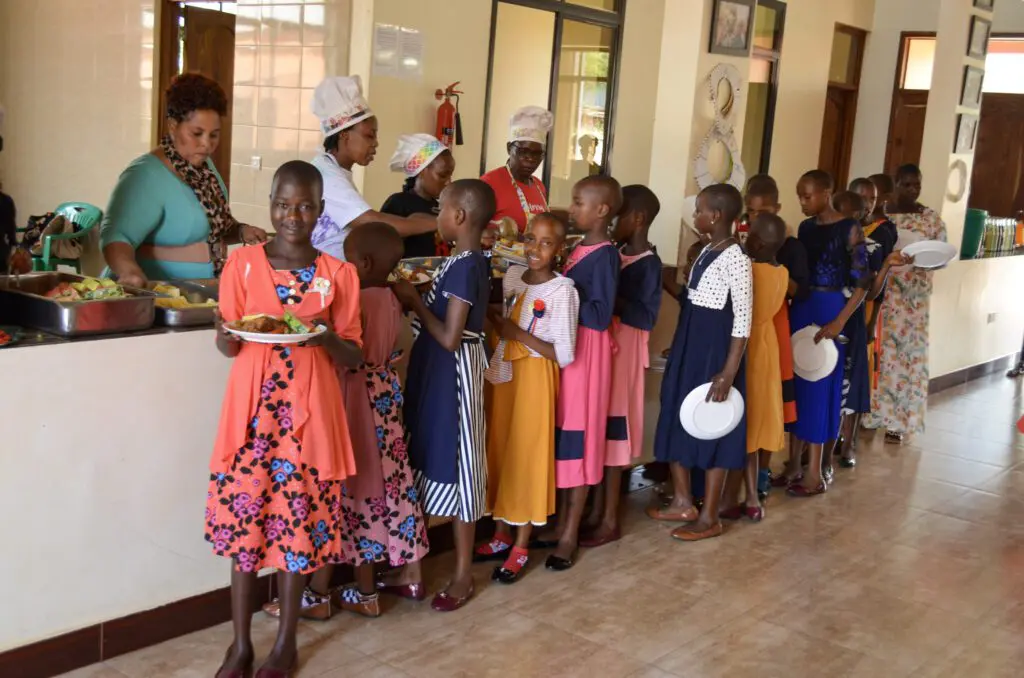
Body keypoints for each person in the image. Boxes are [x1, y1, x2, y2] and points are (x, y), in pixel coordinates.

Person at [205, 161, 363, 678]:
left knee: (299, 534)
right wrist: (224, 333)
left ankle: (285, 644)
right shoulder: (243, 266)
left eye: (304, 206)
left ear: (320, 211)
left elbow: (354, 355)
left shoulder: (339, 275)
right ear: (269, 203)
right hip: (253, 425)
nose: (291, 215)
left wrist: (325, 339)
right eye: (282, 204)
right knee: (245, 531)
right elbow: (231, 343)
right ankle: (241, 644)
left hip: (308, 426)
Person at [392, 179, 495, 611]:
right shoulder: (461, 262)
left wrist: (415, 302)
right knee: (424, 457)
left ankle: (462, 574)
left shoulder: (468, 265)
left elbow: (451, 337)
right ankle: (413, 569)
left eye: (440, 210)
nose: (436, 217)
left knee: (462, 464)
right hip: (435, 375)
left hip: (454, 376)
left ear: (458, 217)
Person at [476, 213, 579, 583]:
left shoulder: (562, 290)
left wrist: (515, 332)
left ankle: (522, 543)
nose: (535, 248)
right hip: (505, 374)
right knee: (501, 448)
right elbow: (504, 320)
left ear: (560, 249)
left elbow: (564, 354)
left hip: (535, 377)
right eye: (530, 239)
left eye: (546, 242)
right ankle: (501, 532)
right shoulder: (514, 276)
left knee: (527, 455)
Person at [651, 183, 752, 542]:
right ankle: (682, 500)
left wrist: (728, 371)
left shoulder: (737, 259)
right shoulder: (708, 249)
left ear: (717, 216)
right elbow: (693, 302)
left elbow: (742, 321)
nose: (695, 216)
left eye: (699, 210)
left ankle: (710, 515)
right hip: (690, 344)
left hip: (715, 352)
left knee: (713, 425)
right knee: (676, 412)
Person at [102, 73, 268, 286]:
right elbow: (115, 236)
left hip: (199, 292)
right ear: (173, 126)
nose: (206, 144)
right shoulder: (145, 175)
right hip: (156, 296)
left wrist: (241, 231)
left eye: (214, 134)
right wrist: (130, 272)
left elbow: (213, 228)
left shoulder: (205, 169)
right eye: (196, 133)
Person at [535, 175, 620, 570]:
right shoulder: (578, 248)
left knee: (581, 439)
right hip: (571, 351)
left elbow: (600, 316)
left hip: (588, 352)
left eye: (578, 203)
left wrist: (563, 294)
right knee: (566, 437)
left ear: (601, 210)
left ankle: (570, 533)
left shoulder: (604, 255)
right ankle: (561, 521)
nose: (572, 209)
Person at [582, 184, 662, 547]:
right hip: (604, 351)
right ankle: (595, 510)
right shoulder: (613, 253)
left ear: (639, 219)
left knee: (615, 433)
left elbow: (646, 316)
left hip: (626, 352)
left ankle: (610, 517)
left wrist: (607, 298)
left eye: (619, 216)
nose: (612, 223)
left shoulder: (648, 263)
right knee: (597, 429)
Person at [787, 170, 870, 497]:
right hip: (803, 306)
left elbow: (863, 282)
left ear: (826, 192)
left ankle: (814, 473)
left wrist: (839, 321)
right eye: (799, 197)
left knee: (822, 386)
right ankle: (793, 463)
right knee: (798, 381)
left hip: (832, 307)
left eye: (807, 196)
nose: (803, 202)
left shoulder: (850, 229)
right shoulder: (806, 228)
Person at [309, 76, 436, 261]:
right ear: (344, 135)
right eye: (369, 136)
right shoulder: (326, 175)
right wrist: (442, 224)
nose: (375, 144)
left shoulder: (335, 170)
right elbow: (369, 222)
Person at [864, 164, 947, 444]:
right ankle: (867, 414)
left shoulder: (931, 219)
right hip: (882, 294)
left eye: (917, 185)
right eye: (907, 184)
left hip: (913, 300)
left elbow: (942, 255)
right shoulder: (881, 215)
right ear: (896, 184)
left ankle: (897, 422)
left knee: (905, 358)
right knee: (876, 353)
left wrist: (922, 258)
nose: (913, 189)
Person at [721, 212, 786, 522]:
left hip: (748, 346)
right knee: (760, 419)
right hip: (768, 346)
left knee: (746, 421)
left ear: (756, 241)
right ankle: (752, 493)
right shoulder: (782, 272)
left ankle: (746, 494)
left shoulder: (750, 269)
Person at [744, 174, 807, 497]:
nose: (758, 218)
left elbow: (801, 289)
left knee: (771, 399)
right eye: (752, 213)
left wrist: (772, 258)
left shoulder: (790, 247)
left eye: (765, 211)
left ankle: (763, 472)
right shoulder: (745, 244)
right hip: (746, 330)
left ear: (778, 208)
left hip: (774, 326)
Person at [481, 106, 553, 233]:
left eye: (537, 154)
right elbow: (474, 228)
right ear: (509, 148)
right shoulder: (489, 183)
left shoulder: (539, 186)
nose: (530, 159)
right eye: (523, 151)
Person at [381, 133, 455, 258]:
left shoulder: (440, 207)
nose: (449, 182)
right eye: (442, 175)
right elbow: (383, 244)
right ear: (421, 171)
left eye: (450, 175)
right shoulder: (399, 203)